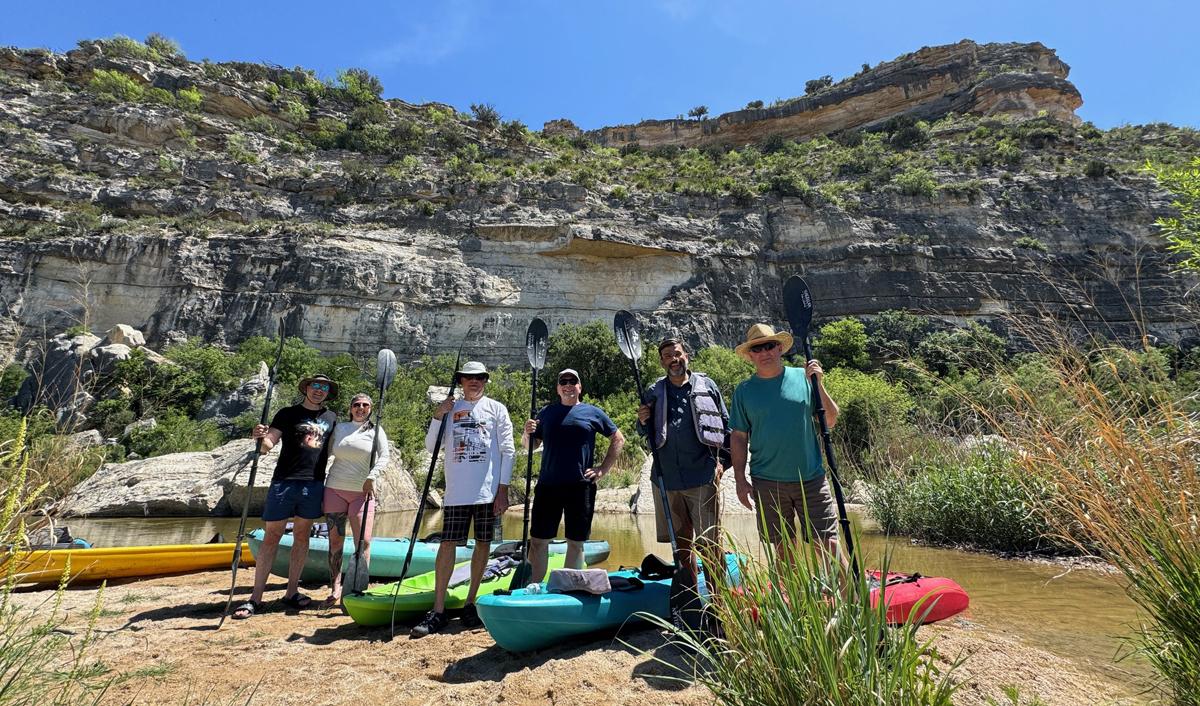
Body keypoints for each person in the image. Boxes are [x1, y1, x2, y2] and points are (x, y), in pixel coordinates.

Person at [411, 362, 516, 638]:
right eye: (469, 377)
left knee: (483, 544)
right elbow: (431, 447)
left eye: (480, 377)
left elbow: (508, 450)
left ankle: (470, 603)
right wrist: (437, 415)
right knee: (447, 545)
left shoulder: (497, 409)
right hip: (457, 492)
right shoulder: (450, 409)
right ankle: (438, 610)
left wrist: (502, 490)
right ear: (460, 380)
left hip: (487, 492)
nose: (474, 381)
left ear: (485, 381)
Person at [728, 324, 846, 570]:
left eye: (769, 345)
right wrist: (740, 479)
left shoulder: (804, 378)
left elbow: (831, 420)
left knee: (829, 546)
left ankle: (852, 606)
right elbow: (738, 437)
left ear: (779, 348)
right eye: (757, 348)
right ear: (750, 355)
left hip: (812, 478)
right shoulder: (743, 391)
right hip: (767, 482)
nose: (764, 352)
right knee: (784, 550)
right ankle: (795, 607)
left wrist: (818, 383)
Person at [234, 374, 339, 619]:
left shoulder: (331, 418)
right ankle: (255, 598)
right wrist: (259, 438)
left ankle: (292, 592)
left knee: (302, 536)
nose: (319, 390)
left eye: (325, 387)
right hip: (284, 481)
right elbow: (268, 445)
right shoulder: (286, 413)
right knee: (272, 536)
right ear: (307, 388)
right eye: (316, 386)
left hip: (313, 485)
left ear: (327, 393)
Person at [636, 337, 731, 590]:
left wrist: (723, 462)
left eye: (677, 354)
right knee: (681, 544)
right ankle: (691, 602)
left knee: (709, 543)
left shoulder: (707, 386)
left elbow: (726, 425)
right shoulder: (654, 391)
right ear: (661, 362)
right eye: (667, 356)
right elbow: (643, 431)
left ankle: (719, 605)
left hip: (702, 477)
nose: (673, 359)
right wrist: (642, 419)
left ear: (686, 356)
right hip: (666, 479)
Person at [521, 368, 625, 584]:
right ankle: (536, 589)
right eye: (563, 382)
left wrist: (602, 469)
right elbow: (530, 446)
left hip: (580, 487)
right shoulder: (546, 412)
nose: (568, 385)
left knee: (575, 542)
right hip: (548, 485)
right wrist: (526, 433)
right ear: (558, 388)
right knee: (538, 541)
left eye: (572, 381)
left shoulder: (593, 413)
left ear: (579, 387)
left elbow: (618, 439)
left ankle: (568, 589)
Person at [319, 392, 390, 610]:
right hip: (335, 489)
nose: (361, 408)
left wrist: (372, 476)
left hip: (362, 492)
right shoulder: (340, 429)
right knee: (335, 542)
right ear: (351, 408)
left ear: (370, 409)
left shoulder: (376, 430)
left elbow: (385, 456)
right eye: (357, 404)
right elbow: (323, 454)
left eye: (365, 405)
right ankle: (335, 589)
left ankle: (359, 588)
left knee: (364, 542)